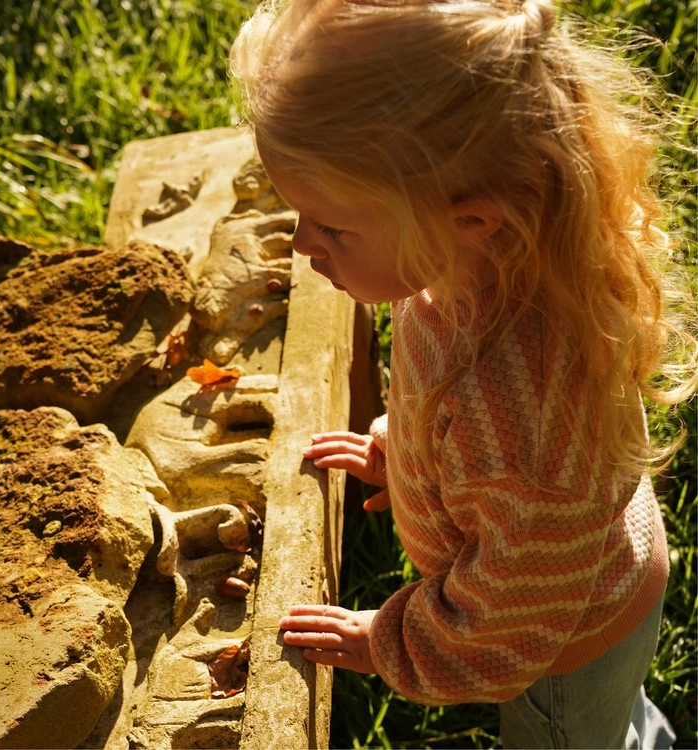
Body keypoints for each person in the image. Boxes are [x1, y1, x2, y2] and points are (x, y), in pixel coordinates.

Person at [229, 1, 696, 747]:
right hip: (578, 570)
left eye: (333, 227)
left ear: (471, 218)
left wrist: (388, 642)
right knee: (617, 718)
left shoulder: (519, 417)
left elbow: (500, 623)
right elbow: (465, 434)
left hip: (566, 645)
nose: (301, 245)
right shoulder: (470, 268)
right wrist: (410, 455)